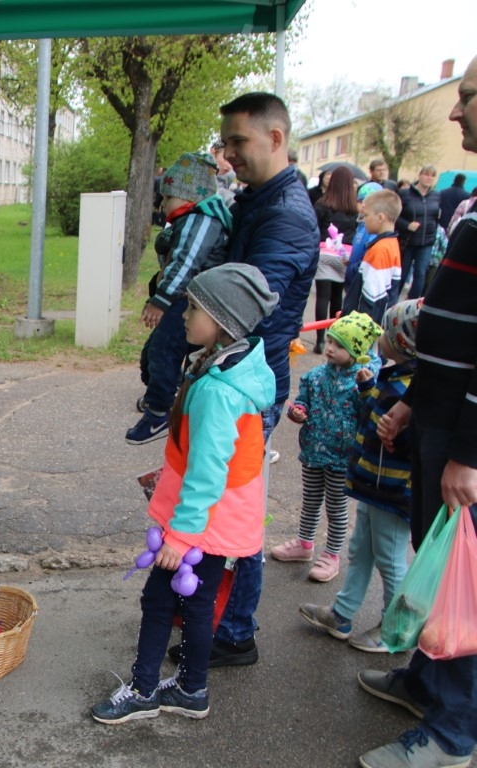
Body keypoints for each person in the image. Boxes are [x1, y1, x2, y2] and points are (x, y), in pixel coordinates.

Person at [90, 264, 278, 724]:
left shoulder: (217, 390)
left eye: (194, 308)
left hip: (201, 524)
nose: (185, 316)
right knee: (196, 601)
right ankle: (191, 689)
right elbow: (205, 454)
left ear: (223, 322)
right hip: (214, 517)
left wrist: (180, 536)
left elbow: (210, 471)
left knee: (161, 600)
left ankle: (144, 690)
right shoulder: (225, 368)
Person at [357, 54, 477, 768]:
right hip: (435, 421)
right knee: (436, 566)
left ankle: (456, 731)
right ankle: (428, 684)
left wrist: (469, 450)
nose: (456, 112)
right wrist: (409, 405)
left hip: (464, 441)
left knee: (463, 575)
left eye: (467, 98)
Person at [189, 92, 319, 668]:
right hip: (233, 377)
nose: (228, 153)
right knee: (221, 502)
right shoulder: (258, 200)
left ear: (275, 138)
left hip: (246, 387)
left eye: (238, 141)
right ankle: (213, 614)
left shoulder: (285, 215)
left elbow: (243, 307)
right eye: (226, 143)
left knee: (234, 511)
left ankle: (234, 629)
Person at [298, 299, 419, 653]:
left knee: (390, 558)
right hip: (372, 487)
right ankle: (343, 614)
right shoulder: (393, 378)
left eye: (386, 331)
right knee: (361, 550)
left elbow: (409, 439)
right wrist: (369, 390)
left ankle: (394, 631)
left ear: (400, 342)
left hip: (393, 491)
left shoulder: (411, 389)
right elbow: (372, 416)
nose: (378, 336)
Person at [271, 312, 381, 582]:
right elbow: (303, 401)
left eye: (339, 345)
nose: (330, 348)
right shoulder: (315, 376)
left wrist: (367, 389)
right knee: (309, 501)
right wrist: (297, 411)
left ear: (357, 352)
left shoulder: (362, 382)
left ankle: (332, 554)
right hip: (313, 450)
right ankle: (304, 544)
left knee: (336, 507)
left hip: (342, 457)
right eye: (330, 341)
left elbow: (371, 414)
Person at [130, 152, 231, 444]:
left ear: (187, 196)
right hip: (185, 298)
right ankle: (167, 399)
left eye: (167, 197)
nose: (162, 206)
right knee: (154, 355)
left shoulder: (201, 219)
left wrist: (160, 300)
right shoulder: (191, 219)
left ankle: (159, 411)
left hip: (192, 301)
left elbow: (186, 262)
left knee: (164, 350)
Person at [312, 166, 361, 352]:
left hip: (325, 252)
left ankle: (319, 340)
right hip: (344, 255)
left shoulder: (322, 204)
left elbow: (314, 228)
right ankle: (336, 339)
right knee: (337, 297)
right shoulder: (354, 207)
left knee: (322, 297)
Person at [343, 189, 404, 324]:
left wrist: (358, 327)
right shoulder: (391, 244)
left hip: (362, 328)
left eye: (366, 215)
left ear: (380, 217)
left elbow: (372, 297)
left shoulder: (380, 250)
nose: (364, 220)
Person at [397, 165, 442, 299]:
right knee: (402, 274)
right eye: (426, 174)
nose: (429, 178)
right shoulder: (405, 194)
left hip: (426, 242)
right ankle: (392, 303)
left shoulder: (436, 195)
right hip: (408, 241)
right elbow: (394, 217)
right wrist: (406, 225)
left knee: (420, 273)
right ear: (420, 175)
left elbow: (437, 217)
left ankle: (412, 305)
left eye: (432, 175)